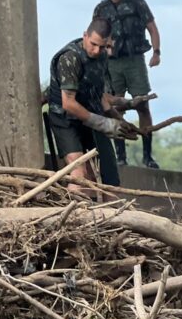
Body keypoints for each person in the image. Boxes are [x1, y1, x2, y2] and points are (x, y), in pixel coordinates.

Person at [47, 18, 137, 191]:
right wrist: (105, 124)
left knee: (110, 176)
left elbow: (99, 96)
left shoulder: (102, 56)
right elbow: (69, 104)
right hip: (66, 119)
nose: (97, 51)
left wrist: (120, 122)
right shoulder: (70, 58)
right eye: (93, 44)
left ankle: (113, 215)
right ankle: (77, 215)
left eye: (103, 47)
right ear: (85, 36)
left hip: (90, 114)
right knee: (79, 173)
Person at [93, 0, 161, 168]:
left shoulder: (136, 2)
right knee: (116, 107)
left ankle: (148, 156)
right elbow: (95, 35)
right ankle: (121, 156)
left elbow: (152, 28)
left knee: (142, 105)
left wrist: (156, 52)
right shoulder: (101, 8)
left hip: (135, 59)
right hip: (112, 63)